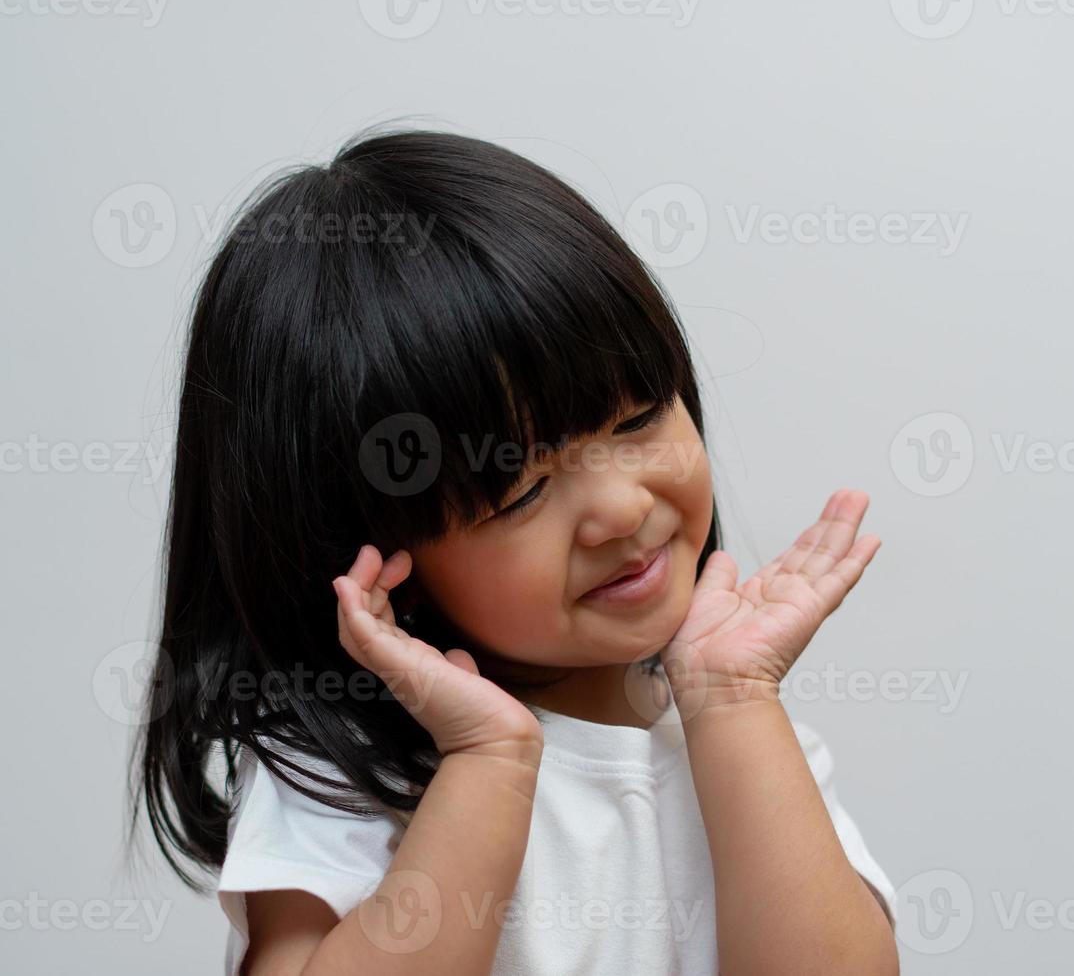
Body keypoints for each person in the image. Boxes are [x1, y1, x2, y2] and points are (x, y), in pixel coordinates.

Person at [129, 125, 899, 975]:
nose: (619, 508)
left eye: (638, 418)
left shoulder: (729, 733)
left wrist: (733, 702)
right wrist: (487, 763)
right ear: (379, 558)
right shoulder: (346, 775)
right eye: (522, 490)